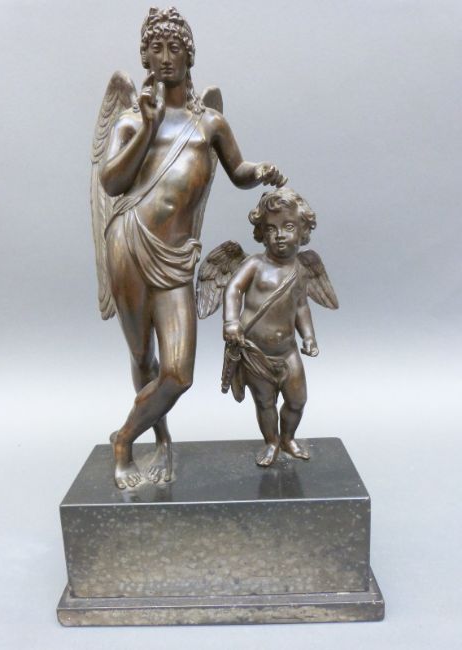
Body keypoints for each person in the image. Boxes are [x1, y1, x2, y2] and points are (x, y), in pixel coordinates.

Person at [100, 7, 286, 488]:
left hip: (176, 256)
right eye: (156, 49)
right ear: (145, 57)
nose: (165, 57)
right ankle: (157, 440)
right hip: (129, 242)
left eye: (175, 48)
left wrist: (260, 171)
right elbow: (112, 182)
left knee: (178, 372)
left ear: (189, 55)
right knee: (143, 357)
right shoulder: (129, 120)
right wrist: (148, 127)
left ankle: (122, 437)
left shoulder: (211, 124)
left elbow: (237, 171)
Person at [223, 188, 320, 467]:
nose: (279, 235)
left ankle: (288, 438)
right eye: (271, 228)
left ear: (303, 230)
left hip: (288, 352)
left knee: (297, 400)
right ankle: (271, 442)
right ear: (261, 233)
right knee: (265, 403)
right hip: (256, 353)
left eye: (288, 227)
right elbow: (233, 289)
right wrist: (231, 321)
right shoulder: (254, 264)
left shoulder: (300, 270)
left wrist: (309, 336)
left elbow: (301, 306)